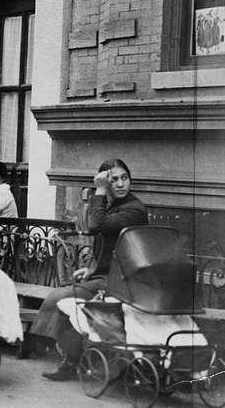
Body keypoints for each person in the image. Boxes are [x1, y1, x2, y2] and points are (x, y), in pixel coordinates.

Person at [30, 158, 148, 381]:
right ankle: (67, 357)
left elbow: (96, 226)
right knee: (61, 297)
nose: (121, 184)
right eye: (114, 180)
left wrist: (101, 190)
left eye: (125, 178)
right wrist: (90, 269)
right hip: (106, 275)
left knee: (63, 297)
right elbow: (108, 245)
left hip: (123, 281)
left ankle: (59, 353)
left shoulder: (135, 209)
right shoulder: (111, 206)